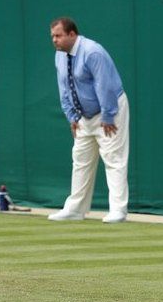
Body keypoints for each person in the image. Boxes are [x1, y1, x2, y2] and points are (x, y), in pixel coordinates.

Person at [48, 17, 130, 224]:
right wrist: (72, 115)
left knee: (114, 159)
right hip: (83, 116)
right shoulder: (59, 56)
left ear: (72, 34)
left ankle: (118, 210)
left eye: (58, 35)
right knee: (80, 160)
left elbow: (106, 85)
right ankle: (75, 209)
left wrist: (108, 115)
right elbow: (64, 87)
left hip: (110, 111)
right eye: (53, 36)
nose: (54, 40)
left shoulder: (92, 51)